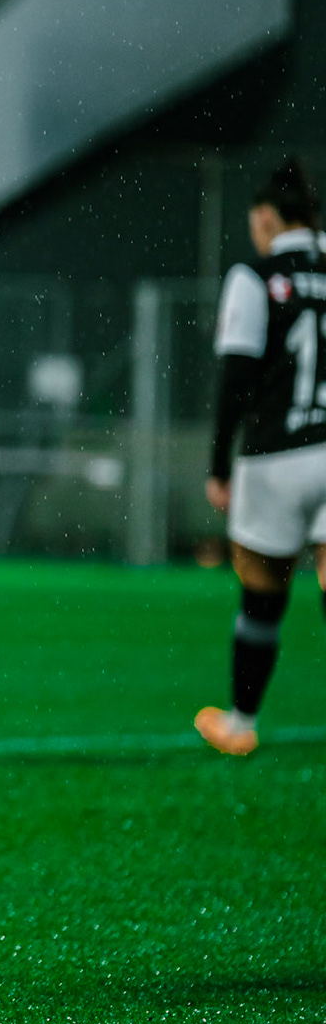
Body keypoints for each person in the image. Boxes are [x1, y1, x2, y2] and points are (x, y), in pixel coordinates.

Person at [197, 157, 326, 756]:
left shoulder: (255, 276)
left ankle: (241, 724)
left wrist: (219, 464)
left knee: (262, 591)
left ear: (269, 220)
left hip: (275, 456)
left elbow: (237, 377)